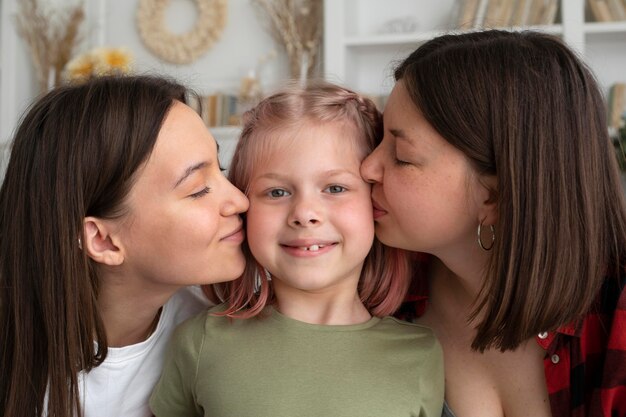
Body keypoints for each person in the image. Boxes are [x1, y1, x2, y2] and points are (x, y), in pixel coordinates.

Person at [360, 29, 626, 417]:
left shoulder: (616, 314)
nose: (367, 167)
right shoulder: (375, 290)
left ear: (494, 197)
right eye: (377, 140)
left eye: (401, 155)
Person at [150, 81, 444, 417]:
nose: (304, 214)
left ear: (375, 201)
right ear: (245, 207)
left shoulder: (420, 354)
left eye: (335, 187)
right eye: (276, 192)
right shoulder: (200, 341)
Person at [0, 75, 249, 417]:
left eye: (220, 169)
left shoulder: (215, 342)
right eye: (197, 189)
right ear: (103, 240)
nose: (239, 200)